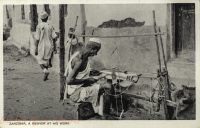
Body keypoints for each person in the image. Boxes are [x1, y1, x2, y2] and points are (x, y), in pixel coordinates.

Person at [64, 38, 112, 118]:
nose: (96, 54)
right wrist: (87, 80)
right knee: (108, 86)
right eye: (96, 51)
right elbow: (68, 80)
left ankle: (99, 111)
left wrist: (91, 72)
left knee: (101, 82)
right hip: (75, 93)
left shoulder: (81, 55)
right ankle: (105, 115)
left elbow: (79, 73)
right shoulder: (79, 60)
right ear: (93, 48)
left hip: (77, 88)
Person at [34, 11, 57, 81]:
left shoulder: (39, 26)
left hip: (42, 44)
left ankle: (45, 71)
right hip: (49, 45)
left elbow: (37, 38)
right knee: (46, 60)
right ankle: (46, 77)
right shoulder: (50, 26)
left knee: (40, 59)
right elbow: (54, 37)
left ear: (41, 18)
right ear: (47, 18)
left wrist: (36, 48)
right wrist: (55, 47)